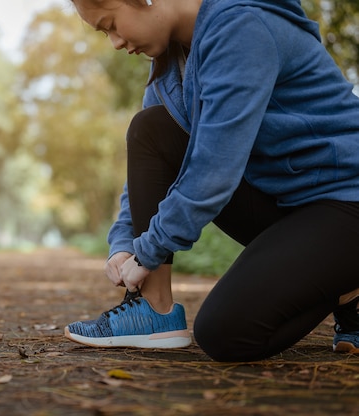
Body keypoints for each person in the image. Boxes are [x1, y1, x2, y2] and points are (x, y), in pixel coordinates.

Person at [63, 0, 359, 362]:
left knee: (226, 333)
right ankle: (154, 311)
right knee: (151, 129)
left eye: (111, 24)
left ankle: (346, 284)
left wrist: (148, 249)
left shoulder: (242, 27)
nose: (114, 41)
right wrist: (125, 241)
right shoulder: (172, 63)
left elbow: (214, 171)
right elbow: (150, 165)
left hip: (346, 203)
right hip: (289, 206)